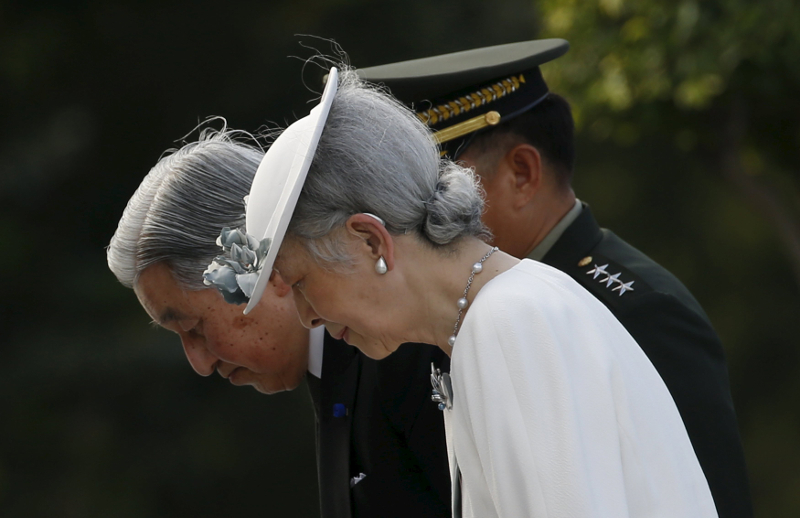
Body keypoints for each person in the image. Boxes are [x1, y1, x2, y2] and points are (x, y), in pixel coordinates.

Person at [206, 65, 718, 516]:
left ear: (369, 239)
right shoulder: (501, 311)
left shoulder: (509, 322)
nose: (305, 316)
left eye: (300, 283)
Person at [357, 39, 752, 518]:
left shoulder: (639, 310)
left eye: (440, 187)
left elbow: (707, 496)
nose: (411, 217)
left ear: (522, 173)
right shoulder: (464, 307)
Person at [107, 128, 451, 517]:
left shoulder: (400, 346)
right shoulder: (341, 362)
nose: (200, 364)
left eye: (194, 328)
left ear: (259, 265)